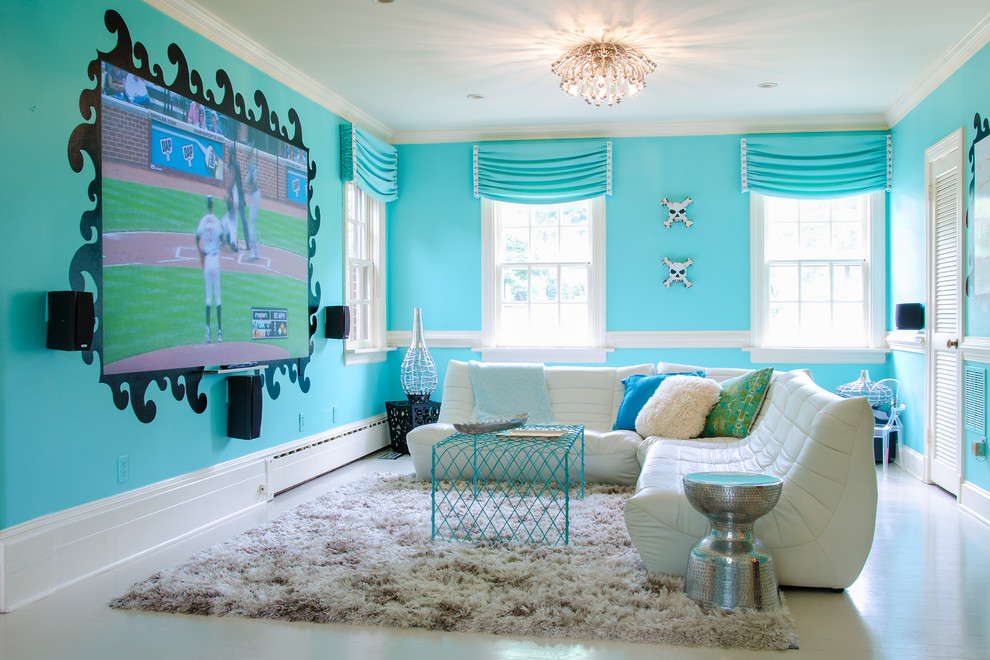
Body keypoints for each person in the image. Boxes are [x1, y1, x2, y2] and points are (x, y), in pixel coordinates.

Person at [196, 195, 224, 343]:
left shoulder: (203, 221)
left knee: (208, 298)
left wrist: (200, 253)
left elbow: (196, 238)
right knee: (218, 298)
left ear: (207, 206)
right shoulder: (217, 221)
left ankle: (208, 332)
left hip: (207, 260)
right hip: (215, 260)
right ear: (213, 206)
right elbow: (223, 239)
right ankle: (220, 333)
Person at [245, 152, 261, 259]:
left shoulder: (252, 167)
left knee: (251, 223)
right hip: (254, 195)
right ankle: (255, 250)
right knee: (251, 223)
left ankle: (255, 252)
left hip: (255, 195)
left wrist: (249, 191)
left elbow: (254, 183)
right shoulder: (251, 166)